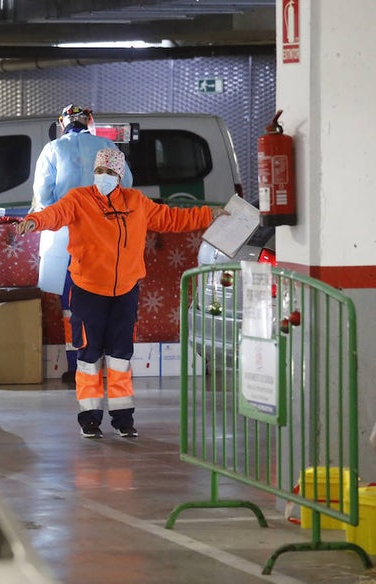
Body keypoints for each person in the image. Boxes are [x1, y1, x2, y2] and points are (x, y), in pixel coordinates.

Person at [16, 147, 225, 439]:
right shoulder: (79, 199)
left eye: (110, 172)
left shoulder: (136, 202)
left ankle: (123, 418)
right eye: (99, 171)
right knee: (88, 357)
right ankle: (89, 418)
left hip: (126, 292)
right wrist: (35, 221)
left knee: (120, 356)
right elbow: (55, 214)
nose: (103, 177)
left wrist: (210, 214)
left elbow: (171, 219)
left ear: (120, 176)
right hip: (88, 290)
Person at [31, 105, 133, 385]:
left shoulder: (52, 149)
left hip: (66, 237)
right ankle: (107, 365)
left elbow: (43, 195)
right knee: (106, 298)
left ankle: (78, 366)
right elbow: (128, 184)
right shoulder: (107, 145)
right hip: (105, 236)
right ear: (90, 122)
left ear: (61, 123)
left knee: (72, 302)